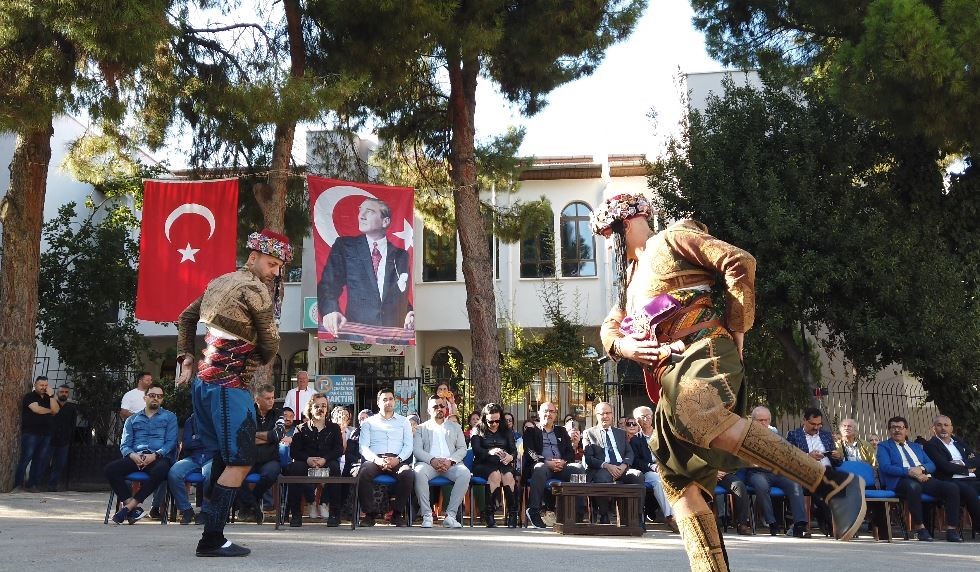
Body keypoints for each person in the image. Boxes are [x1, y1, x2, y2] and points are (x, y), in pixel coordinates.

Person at [593, 193, 864, 570]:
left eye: (608, 233)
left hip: (701, 349)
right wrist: (624, 344)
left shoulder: (670, 239)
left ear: (627, 221)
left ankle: (832, 484)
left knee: (699, 413)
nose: (608, 244)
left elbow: (739, 260)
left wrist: (738, 326)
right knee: (677, 482)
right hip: (669, 379)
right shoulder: (628, 284)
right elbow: (609, 329)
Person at [176, 227, 291, 557]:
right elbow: (271, 343)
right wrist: (260, 357)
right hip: (229, 386)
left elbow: (185, 317)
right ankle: (211, 538)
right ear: (253, 257)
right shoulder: (255, 290)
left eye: (279, 267)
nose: (276, 272)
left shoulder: (217, 282)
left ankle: (212, 524)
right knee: (240, 461)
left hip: (203, 384)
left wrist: (185, 356)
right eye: (272, 264)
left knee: (218, 457)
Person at [318, 197, 413, 342]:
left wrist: (409, 312)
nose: (361, 216)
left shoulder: (401, 256)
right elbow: (328, 285)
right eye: (360, 210)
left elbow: (399, 295)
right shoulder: (345, 246)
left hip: (393, 339)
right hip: (355, 336)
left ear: (385, 221)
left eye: (369, 211)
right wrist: (330, 310)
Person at [877, 416, 963, 542]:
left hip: (923, 477)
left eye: (900, 427)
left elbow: (932, 465)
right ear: (889, 430)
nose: (897, 430)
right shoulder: (884, 446)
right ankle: (920, 529)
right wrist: (909, 472)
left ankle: (951, 530)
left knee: (952, 488)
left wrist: (921, 469)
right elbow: (885, 467)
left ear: (906, 430)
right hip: (900, 480)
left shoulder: (916, 446)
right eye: (893, 427)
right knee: (914, 487)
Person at [104, 383, 177, 524]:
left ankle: (129, 507)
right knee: (110, 469)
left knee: (161, 470)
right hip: (136, 457)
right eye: (152, 395)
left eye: (159, 396)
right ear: (145, 398)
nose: (155, 398)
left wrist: (155, 455)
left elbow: (171, 443)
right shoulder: (132, 419)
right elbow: (125, 444)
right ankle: (134, 508)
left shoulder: (170, 417)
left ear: (162, 400)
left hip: (158, 457)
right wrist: (132, 455)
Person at [745, 406, 810, 537]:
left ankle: (800, 524)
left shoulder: (776, 435)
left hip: (776, 472)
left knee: (795, 483)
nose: (764, 423)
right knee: (761, 486)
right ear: (752, 420)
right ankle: (772, 523)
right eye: (760, 420)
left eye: (766, 420)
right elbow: (740, 458)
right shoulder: (746, 435)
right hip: (756, 472)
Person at [356, 388, 416, 526]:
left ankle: (396, 514)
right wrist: (377, 460)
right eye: (384, 399)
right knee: (363, 472)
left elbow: (408, 446)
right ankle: (369, 514)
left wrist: (398, 460)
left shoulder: (403, 422)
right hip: (375, 459)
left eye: (390, 399)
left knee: (407, 473)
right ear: (378, 403)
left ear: (394, 402)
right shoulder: (369, 422)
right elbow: (363, 447)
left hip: (397, 459)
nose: (388, 402)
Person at [283, 393, 344, 527]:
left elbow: (339, 449)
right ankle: (296, 515)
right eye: (317, 406)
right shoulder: (301, 428)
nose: (320, 409)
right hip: (306, 462)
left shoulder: (334, 428)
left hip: (326, 461)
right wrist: (308, 459)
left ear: (327, 408)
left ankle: (334, 514)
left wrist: (324, 459)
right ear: (310, 408)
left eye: (323, 406)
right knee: (295, 468)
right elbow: (294, 452)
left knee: (334, 468)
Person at [522, 401, 584, 528]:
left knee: (579, 468)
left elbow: (569, 453)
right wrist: (546, 462)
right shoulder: (531, 431)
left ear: (555, 415)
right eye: (545, 411)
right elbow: (530, 453)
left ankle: (578, 512)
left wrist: (563, 461)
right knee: (539, 468)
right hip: (543, 466)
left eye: (552, 411)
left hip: (562, 467)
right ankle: (533, 509)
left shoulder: (561, 431)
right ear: (539, 413)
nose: (548, 414)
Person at [413, 395, 470, 528]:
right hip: (429, 465)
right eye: (435, 406)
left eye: (442, 406)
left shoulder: (455, 427)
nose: (439, 409)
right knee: (419, 471)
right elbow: (417, 450)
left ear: (446, 409)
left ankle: (450, 515)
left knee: (465, 473)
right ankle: (427, 515)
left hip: (450, 465)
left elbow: (462, 448)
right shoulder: (421, 428)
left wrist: (450, 461)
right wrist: (432, 460)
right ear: (428, 410)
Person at [582, 402, 643, 523]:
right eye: (602, 413)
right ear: (596, 415)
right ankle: (604, 515)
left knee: (638, 476)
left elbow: (629, 453)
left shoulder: (620, 433)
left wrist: (624, 465)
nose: (605, 416)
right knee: (602, 477)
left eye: (608, 413)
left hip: (622, 467)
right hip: (602, 468)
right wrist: (607, 466)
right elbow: (589, 458)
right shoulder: (589, 433)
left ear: (612, 415)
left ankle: (637, 517)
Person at [787, 407, 842, 535]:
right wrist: (807, 457)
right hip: (806, 473)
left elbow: (838, 462)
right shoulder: (794, 435)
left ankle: (831, 521)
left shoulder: (826, 436)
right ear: (804, 421)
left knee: (846, 485)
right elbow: (789, 458)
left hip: (828, 472)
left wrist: (837, 456)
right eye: (813, 424)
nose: (816, 427)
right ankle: (834, 526)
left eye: (819, 424)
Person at [922, 415, 980, 535]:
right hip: (950, 480)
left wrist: (962, 463)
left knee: (971, 488)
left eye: (946, 425)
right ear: (934, 428)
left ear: (951, 428)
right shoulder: (931, 445)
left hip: (970, 478)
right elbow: (944, 466)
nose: (943, 428)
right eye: (939, 425)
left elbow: (976, 459)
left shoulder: (958, 442)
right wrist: (966, 469)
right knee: (970, 491)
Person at [237, 384, 285, 524]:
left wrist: (255, 436)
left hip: (270, 459)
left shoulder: (278, 413)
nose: (271, 401)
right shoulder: (247, 413)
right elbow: (242, 437)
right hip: (248, 458)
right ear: (257, 399)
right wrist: (267, 437)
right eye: (267, 398)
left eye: (272, 398)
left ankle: (250, 503)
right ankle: (252, 504)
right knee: (234, 474)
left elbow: (277, 435)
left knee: (271, 473)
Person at [631, 405, 679, 533]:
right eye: (642, 417)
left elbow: (671, 454)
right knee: (658, 481)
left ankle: (685, 515)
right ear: (637, 421)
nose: (646, 419)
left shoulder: (662, 435)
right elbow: (635, 461)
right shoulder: (635, 440)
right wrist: (651, 466)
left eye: (648, 416)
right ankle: (671, 517)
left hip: (666, 469)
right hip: (648, 472)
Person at [471, 402, 519, 528]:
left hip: (503, 462)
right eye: (491, 422)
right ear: (484, 419)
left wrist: (511, 456)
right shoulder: (477, 430)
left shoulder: (506, 430)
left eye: (497, 421)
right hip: (483, 463)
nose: (494, 424)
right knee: (495, 475)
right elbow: (476, 450)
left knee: (508, 476)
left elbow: (513, 450)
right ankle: (489, 514)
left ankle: (513, 514)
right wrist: (490, 452)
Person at [167, 413, 215, 525]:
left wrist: (197, 438)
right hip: (194, 457)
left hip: (213, 457)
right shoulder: (191, 420)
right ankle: (186, 509)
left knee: (209, 474)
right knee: (174, 473)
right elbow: (187, 443)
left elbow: (219, 443)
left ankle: (206, 511)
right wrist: (207, 440)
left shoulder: (219, 418)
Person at [14, 376, 60, 492]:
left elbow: (57, 410)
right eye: (41, 385)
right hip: (31, 433)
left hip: (46, 434)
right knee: (26, 458)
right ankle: (18, 485)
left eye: (45, 385)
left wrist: (51, 396)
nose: (43, 387)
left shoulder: (48, 398)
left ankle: (32, 485)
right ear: (35, 385)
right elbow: (37, 409)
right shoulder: (29, 396)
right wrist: (50, 411)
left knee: (39, 460)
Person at [44, 384, 76, 491]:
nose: (64, 394)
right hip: (49, 439)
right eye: (62, 392)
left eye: (66, 392)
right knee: (44, 461)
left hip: (64, 441)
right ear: (58, 392)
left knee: (59, 464)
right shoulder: (51, 404)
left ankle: (52, 485)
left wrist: (69, 438)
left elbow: (72, 424)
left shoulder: (71, 408)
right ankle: (39, 484)